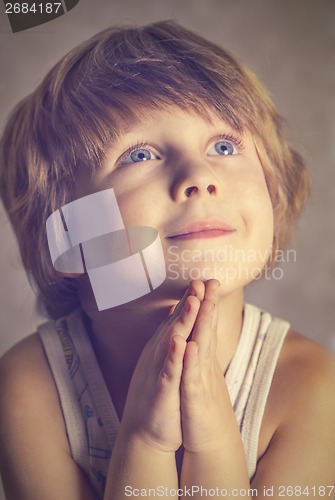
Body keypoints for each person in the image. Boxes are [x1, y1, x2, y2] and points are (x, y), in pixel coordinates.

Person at [0, 20, 334, 500]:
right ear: (66, 235)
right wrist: (146, 443)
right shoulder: (30, 389)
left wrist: (214, 444)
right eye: (139, 154)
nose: (200, 176)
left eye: (224, 146)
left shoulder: (311, 387)